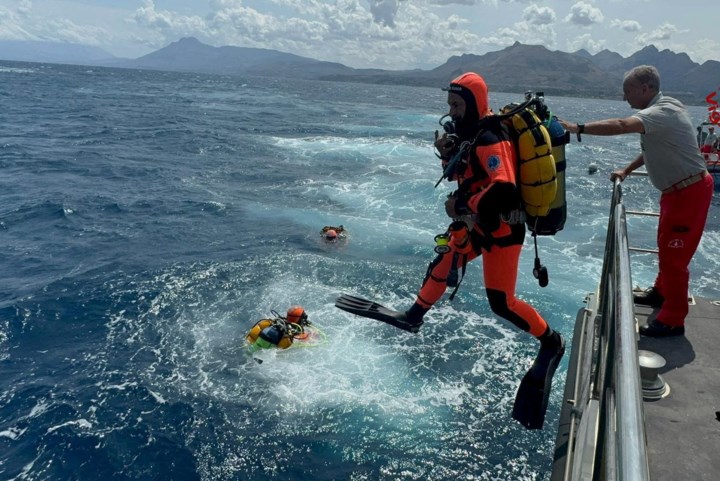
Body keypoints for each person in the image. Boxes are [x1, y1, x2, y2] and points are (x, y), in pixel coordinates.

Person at [560, 65, 713, 337]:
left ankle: (673, 320)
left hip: (688, 193)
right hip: (678, 192)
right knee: (666, 249)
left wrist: (576, 127)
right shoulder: (665, 110)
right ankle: (660, 293)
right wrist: (627, 170)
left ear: (645, 89)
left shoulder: (662, 112)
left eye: (627, 91)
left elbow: (621, 125)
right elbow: (657, 148)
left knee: (674, 257)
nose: (624, 98)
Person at [246, 306, 311, 350]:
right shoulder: (295, 333)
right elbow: (309, 341)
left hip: (253, 347)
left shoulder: (274, 323)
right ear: (301, 319)